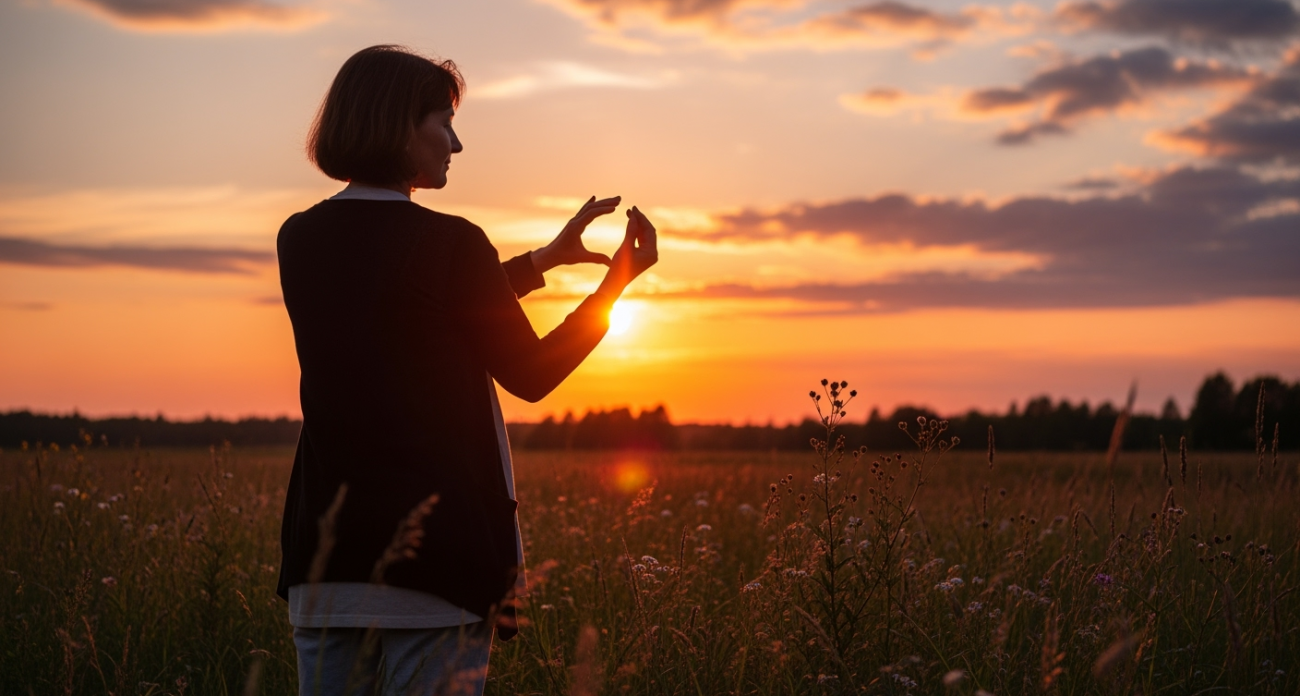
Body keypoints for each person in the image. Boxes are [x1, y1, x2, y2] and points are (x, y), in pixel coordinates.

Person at [275, 44, 657, 696]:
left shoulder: (299, 238)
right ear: (399, 125)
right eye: (443, 122)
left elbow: (412, 313)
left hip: (325, 570)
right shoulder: (455, 243)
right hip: (437, 572)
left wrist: (543, 260)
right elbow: (530, 373)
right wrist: (614, 287)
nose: (456, 144)